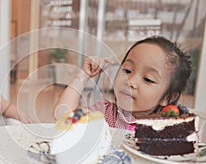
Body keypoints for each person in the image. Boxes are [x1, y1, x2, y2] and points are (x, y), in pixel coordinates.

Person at [53, 36, 192, 130]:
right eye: (127, 70)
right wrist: (84, 75)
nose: (130, 81)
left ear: (167, 98)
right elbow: (62, 115)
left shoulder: (172, 126)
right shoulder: (105, 113)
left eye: (148, 79)